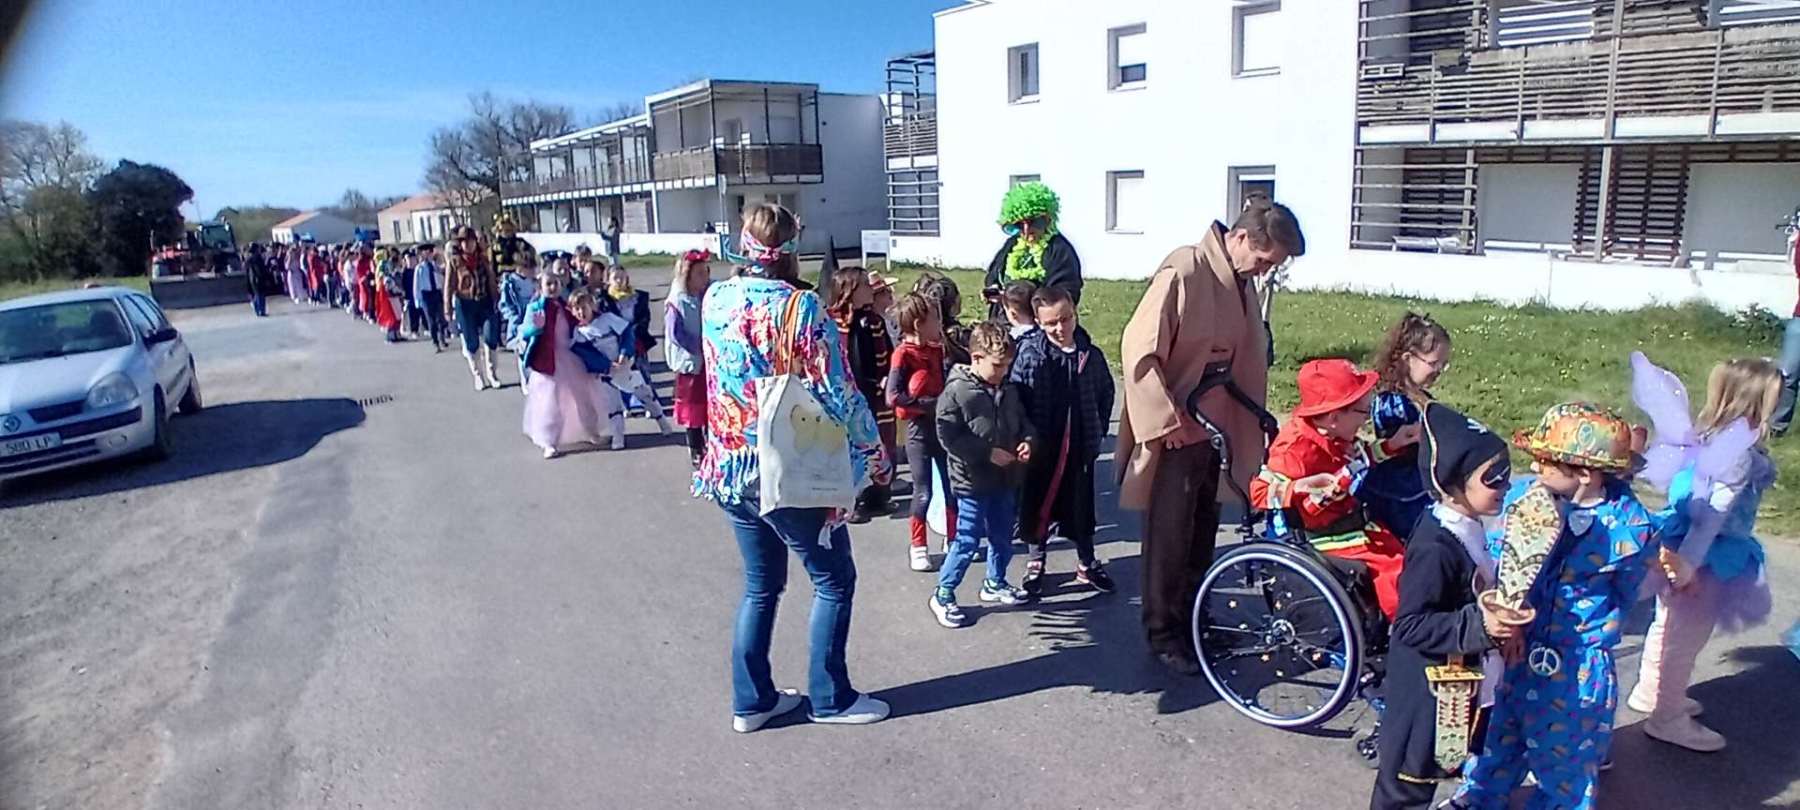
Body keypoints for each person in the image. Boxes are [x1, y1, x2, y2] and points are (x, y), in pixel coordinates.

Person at [695, 202, 891, 731]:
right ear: (791, 248)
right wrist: (875, 453)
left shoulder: (716, 297)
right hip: (788, 469)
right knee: (834, 580)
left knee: (761, 585)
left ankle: (752, 701)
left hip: (728, 465)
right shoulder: (801, 308)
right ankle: (830, 698)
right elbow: (839, 392)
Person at [1118, 198, 1306, 674]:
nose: (1264, 271)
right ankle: (1163, 632)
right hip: (1178, 428)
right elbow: (1138, 350)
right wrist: (1167, 421)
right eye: (1263, 259)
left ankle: (1194, 618)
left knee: (1203, 530)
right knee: (1169, 535)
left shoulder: (1240, 281)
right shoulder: (1184, 270)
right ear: (1240, 237)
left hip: (1216, 426)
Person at [1457, 403, 1657, 810]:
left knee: (1566, 754)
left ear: (1585, 474)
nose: (1536, 468)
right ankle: (1479, 796)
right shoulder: (1527, 499)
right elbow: (1500, 561)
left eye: (1548, 462)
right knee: (1500, 733)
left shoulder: (1628, 527)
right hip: (1518, 646)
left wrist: (1593, 627)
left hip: (1577, 659)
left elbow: (1627, 588)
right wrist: (1507, 618)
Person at [1627, 355, 1781, 752]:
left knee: (1665, 623)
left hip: (1678, 541)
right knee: (1686, 638)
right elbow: (1710, 517)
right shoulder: (1738, 454)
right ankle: (1667, 717)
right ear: (1756, 403)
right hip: (1707, 555)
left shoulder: (1704, 436)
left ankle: (1650, 691)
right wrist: (1689, 566)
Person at [1370, 403, 1513, 810]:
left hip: (1453, 687)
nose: (1505, 486)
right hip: (1425, 696)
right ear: (1454, 481)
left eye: (1505, 474)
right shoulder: (1435, 547)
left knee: (1433, 775)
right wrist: (1481, 626)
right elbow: (1411, 625)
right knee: (1407, 789)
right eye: (1493, 478)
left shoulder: (1466, 525)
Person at [1251, 359, 1417, 621]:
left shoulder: (1334, 434)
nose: (1365, 421)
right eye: (1363, 413)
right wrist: (1298, 486)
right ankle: (1408, 628)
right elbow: (1259, 493)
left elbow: (1357, 462)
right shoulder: (1294, 450)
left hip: (1349, 519)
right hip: (1324, 533)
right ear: (1334, 417)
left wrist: (1391, 445)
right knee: (1394, 571)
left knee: (1412, 553)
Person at [1010, 285, 1116, 596]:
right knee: (1039, 504)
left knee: (1081, 506)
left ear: (1075, 314)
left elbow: (1105, 392)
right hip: (1043, 446)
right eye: (1051, 323)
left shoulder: (1090, 355)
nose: (1060, 328)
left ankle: (1087, 562)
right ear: (1038, 323)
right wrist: (1024, 437)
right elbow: (1017, 399)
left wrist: (1097, 427)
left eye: (1066, 319)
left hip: (1080, 446)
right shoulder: (1030, 356)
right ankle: (1036, 560)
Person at [929, 321, 1036, 627]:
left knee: (1002, 535)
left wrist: (1028, 441)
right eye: (998, 366)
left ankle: (995, 582)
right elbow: (948, 435)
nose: (1003, 372)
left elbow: (1023, 423)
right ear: (976, 358)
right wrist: (986, 453)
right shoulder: (957, 391)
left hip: (1005, 478)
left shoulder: (1009, 390)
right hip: (972, 481)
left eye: (1007, 365)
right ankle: (944, 593)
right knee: (967, 539)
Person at [1363, 313, 1452, 540]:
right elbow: (1398, 439)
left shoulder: (1421, 396)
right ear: (1407, 359)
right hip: (1399, 487)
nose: (1438, 370)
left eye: (1443, 365)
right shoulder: (1392, 400)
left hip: (1419, 481)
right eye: (1434, 363)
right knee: (1412, 534)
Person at [827, 266, 897, 523]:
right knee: (849, 448)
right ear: (850, 290)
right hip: (843, 395)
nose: (871, 290)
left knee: (879, 443)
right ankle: (853, 500)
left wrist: (887, 378)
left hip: (873, 394)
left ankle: (878, 496)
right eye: (865, 285)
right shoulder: (831, 321)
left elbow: (886, 354)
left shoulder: (873, 321)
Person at [888, 292, 951, 573]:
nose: (940, 323)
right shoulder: (903, 354)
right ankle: (918, 545)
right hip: (918, 431)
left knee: (951, 487)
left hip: (942, 429)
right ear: (918, 324)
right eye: (934, 318)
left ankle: (953, 537)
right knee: (923, 490)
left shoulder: (938, 350)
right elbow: (894, 396)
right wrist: (928, 404)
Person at [520, 272, 605, 459]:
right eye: (549, 284)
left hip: (571, 357)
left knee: (584, 396)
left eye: (556, 283)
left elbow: (581, 322)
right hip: (548, 361)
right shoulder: (535, 307)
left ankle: (592, 431)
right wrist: (535, 327)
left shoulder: (566, 306)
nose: (553, 287)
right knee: (550, 402)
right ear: (540, 287)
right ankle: (549, 441)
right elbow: (524, 331)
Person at [983, 181, 1082, 319]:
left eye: (1034, 222)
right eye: (1019, 224)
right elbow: (994, 273)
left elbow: (1065, 293)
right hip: (1004, 319)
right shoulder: (1012, 244)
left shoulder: (1060, 249)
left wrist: (1024, 300)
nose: (1026, 230)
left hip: (1042, 324)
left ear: (1048, 220)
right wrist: (993, 289)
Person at [567, 289, 629, 450]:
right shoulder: (578, 334)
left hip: (625, 364)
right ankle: (618, 436)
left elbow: (627, 333)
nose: (581, 312)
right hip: (606, 372)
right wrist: (606, 365)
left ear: (592, 305)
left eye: (584, 307)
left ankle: (662, 421)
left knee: (645, 395)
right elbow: (588, 355)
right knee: (613, 404)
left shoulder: (607, 319)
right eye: (577, 309)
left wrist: (624, 353)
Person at [666, 250, 711, 466]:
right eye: (699, 274)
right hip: (690, 364)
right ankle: (696, 448)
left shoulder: (706, 296)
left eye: (706, 272)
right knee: (693, 409)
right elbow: (675, 333)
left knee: (710, 404)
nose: (704, 278)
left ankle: (712, 445)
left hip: (708, 361)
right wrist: (697, 346)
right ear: (687, 276)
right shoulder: (677, 301)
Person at [445, 226, 502, 390]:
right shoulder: (454, 261)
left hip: (485, 301)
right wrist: (448, 308)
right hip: (465, 304)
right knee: (471, 341)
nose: (468, 245)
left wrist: (496, 298)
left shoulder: (483, 259)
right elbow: (449, 285)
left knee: (491, 336)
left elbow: (491, 279)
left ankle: (492, 373)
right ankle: (478, 375)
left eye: (470, 241)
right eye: (464, 242)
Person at [499, 250, 541, 392]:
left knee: (534, 347)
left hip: (533, 319)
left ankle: (534, 377)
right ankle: (525, 379)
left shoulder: (535, 282)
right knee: (522, 350)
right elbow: (505, 304)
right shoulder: (510, 283)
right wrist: (513, 317)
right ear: (521, 267)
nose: (532, 271)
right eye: (529, 268)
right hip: (519, 321)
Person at [413, 243, 448, 351]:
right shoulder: (419, 268)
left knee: (441, 318)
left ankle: (442, 338)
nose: (429, 254)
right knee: (431, 320)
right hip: (426, 295)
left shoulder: (435, 266)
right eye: (426, 252)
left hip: (436, 293)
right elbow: (417, 285)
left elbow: (442, 277)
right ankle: (435, 342)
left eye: (430, 252)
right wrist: (417, 300)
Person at [373, 247, 404, 342]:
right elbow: (385, 280)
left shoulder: (388, 267)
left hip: (393, 294)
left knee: (397, 314)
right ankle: (391, 335)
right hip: (388, 295)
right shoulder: (382, 267)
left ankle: (396, 334)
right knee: (391, 315)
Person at [244, 244, 270, 317]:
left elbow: (247, 271)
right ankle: (262, 310)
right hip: (259, 279)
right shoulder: (258, 258)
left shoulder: (248, 260)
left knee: (256, 295)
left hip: (252, 279)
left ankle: (257, 310)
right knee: (261, 295)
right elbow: (261, 270)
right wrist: (266, 278)